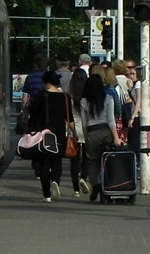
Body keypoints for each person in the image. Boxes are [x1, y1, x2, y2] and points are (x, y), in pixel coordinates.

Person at [28, 70, 72, 203]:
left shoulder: (41, 95)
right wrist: (73, 133)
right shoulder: (65, 97)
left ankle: (46, 194)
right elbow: (69, 119)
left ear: (46, 82)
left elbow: (32, 113)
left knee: (44, 163)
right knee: (57, 161)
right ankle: (55, 182)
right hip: (59, 133)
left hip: (43, 133)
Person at [79, 73, 119, 202]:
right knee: (107, 160)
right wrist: (116, 138)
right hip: (106, 131)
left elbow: (84, 123)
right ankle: (107, 186)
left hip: (92, 132)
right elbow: (111, 120)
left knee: (92, 161)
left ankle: (95, 184)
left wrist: (86, 136)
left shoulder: (84, 101)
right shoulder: (108, 98)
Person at [66, 54, 92, 196]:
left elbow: (68, 116)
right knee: (87, 157)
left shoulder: (69, 96)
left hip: (73, 129)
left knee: (74, 159)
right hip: (86, 129)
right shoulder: (87, 97)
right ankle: (83, 177)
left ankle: (75, 189)